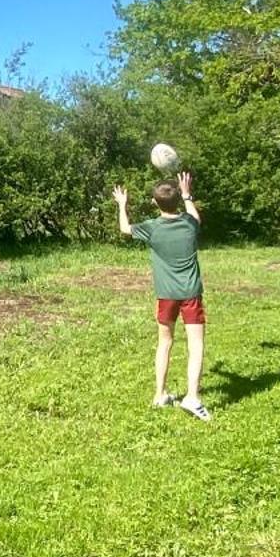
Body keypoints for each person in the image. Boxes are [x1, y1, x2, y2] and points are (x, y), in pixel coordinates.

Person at [114, 171, 210, 420]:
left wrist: (122, 204)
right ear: (178, 200)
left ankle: (160, 394)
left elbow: (125, 229)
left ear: (155, 203)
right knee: (196, 345)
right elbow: (195, 215)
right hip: (190, 294)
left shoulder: (152, 228)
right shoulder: (190, 224)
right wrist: (187, 193)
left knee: (165, 343)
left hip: (166, 295)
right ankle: (192, 398)